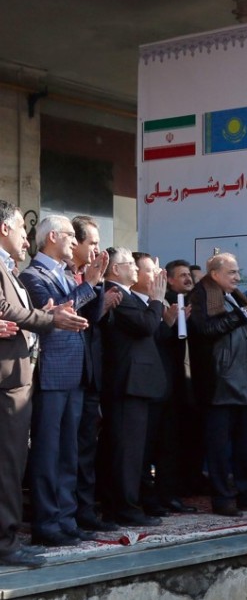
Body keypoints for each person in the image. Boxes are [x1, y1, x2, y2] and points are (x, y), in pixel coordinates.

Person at [0, 201, 88, 568]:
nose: (26, 235)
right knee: (8, 464)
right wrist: (49, 319)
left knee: (12, 462)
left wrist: (47, 315)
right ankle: (5, 543)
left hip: (17, 380)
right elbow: (6, 311)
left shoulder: (11, 269)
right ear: (4, 228)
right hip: (8, 381)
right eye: (22, 227)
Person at [18, 215, 102, 546]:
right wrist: (87, 286)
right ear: (53, 236)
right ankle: (46, 521)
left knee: (69, 451)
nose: (74, 242)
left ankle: (66, 518)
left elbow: (89, 316)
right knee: (48, 451)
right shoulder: (31, 276)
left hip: (75, 373)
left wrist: (94, 283)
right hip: (50, 373)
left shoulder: (67, 274)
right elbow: (53, 317)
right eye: (70, 236)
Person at [188, 252, 247, 517]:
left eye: (238, 273)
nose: (238, 278)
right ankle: (222, 498)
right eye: (232, 273)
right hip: (219, 384)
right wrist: (244, 313)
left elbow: (246, 332)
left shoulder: (234, 297)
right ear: (215, 274)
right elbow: (207, 330)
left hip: (246, 383)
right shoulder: (202, 294)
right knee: (218, 448)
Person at [100, 248, 168, 527]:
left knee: (132, 450)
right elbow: (145, 325)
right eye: (131, 265)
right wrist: (157, 301)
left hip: (136, 384)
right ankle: (125, 508)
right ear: (116, 269)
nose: (137, 270)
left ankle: (128, 503)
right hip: (126, 384)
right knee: (126, 452)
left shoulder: (127, 295)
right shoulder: (115, 292)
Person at [69, 215, 121, 533]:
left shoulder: (92, 279)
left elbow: (95, 325)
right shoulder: (65, 277)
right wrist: (91, 288)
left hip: (90, 374)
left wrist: (97, 290)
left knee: (87, 447)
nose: (97, 251)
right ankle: (66, 512)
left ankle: (85, 511)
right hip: (65, 375)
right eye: (92, 244)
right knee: (67, 451)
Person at [140, 256, 196, 515]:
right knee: (147, 446)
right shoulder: (145, 302)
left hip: (172, 385)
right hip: (150, 386)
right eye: (153, 271)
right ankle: (147, 497)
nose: (188, 279)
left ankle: (168, 494)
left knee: (170, 444)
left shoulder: (177, 302)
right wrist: (170, 322)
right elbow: (150, 339)